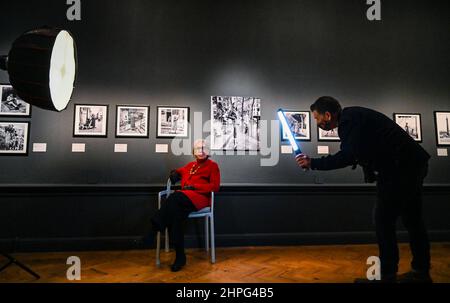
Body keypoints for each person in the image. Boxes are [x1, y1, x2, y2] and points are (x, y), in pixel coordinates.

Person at [296, 96, 432, 283]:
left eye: (316, 118)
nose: (317, 123)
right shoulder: (354, 117)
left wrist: (313, 163)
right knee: (412, 221)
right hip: (410, 166)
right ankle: (420, 272)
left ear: (327, 115)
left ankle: (387, 275)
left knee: (384, 220)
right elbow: (364, 151)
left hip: (401, 169)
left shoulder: (348, 121)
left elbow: (348, 156)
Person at [151, 139, 221, 272]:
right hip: (183, 200)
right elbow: (178, 172)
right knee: (176, 215)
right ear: (194, 152)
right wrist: (174, 173)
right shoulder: (190, 166)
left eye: (204, 148)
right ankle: (180, 256)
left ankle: (154, 228)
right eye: (198, 149)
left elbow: (215, 186)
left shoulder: (213, 166)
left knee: (175, 197)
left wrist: (194, 186)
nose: (201, 151)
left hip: (200, 199)